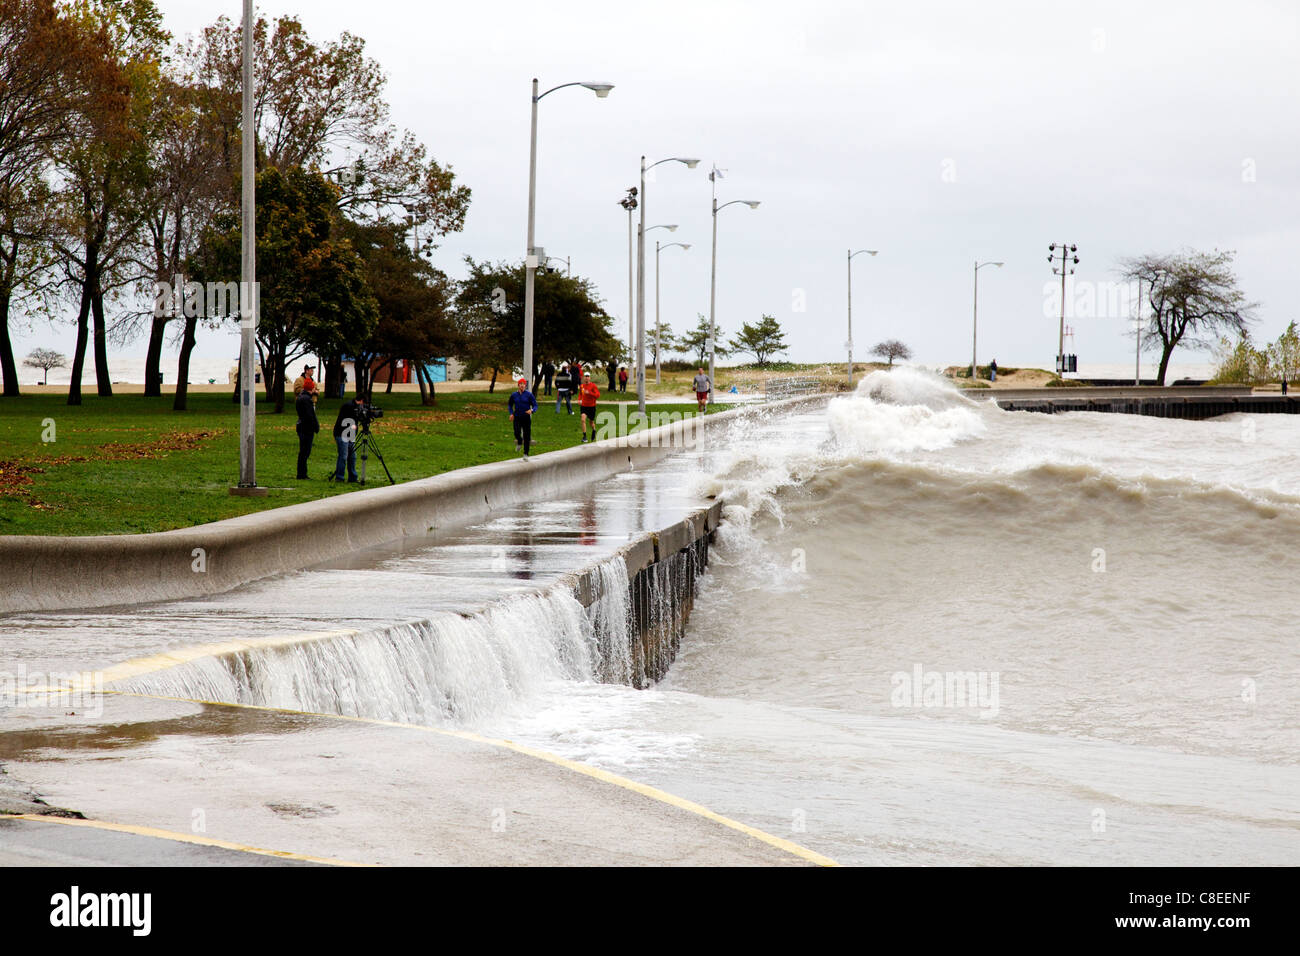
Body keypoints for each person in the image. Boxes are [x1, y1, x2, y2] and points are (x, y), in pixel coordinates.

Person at [333, 394, 365, 482]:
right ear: (361, 401)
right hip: (342, 433)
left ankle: (352, 477)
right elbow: (348, 421)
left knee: (352, 456)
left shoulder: (354, 407)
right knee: (343, 456)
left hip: (349, 434)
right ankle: (340, 477)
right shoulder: (349, 406)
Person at [508, 377, 537, 460]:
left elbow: (535, 405)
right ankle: (519, 442)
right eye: (521, 384)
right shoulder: (514, 395)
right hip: (517, 416)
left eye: (524, 384)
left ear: (525, 385)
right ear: (518, 385)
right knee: (516, 432)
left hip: (526, 417)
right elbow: (510, 405)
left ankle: (526, 454)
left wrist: (532, 410)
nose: (522, 386)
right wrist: (511, 414)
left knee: (527, 435)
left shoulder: (529, 395)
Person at [294, 387, 319, 479]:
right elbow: (310, 415)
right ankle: (301, 473)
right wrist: (316, 426)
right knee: (305, 452)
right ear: (311, 388)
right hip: (306, 428)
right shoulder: (307, 400)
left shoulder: (301, 397)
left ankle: (301, 472)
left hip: (301, 427)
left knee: (303, 452)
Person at [578, 372, 600, 442]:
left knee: (591, 423)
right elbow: (580, 394)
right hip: (584, 406)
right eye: (585, 376)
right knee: (583, 419)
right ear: (584, 378)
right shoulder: (582, 386)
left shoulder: (593, 386)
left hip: (591, 406)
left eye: (588, 376)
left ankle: (594, 430)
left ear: (590, 378)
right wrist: (579, 400)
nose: (586, 377)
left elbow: (598, 395)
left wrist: (590, 393)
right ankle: (584, 437)